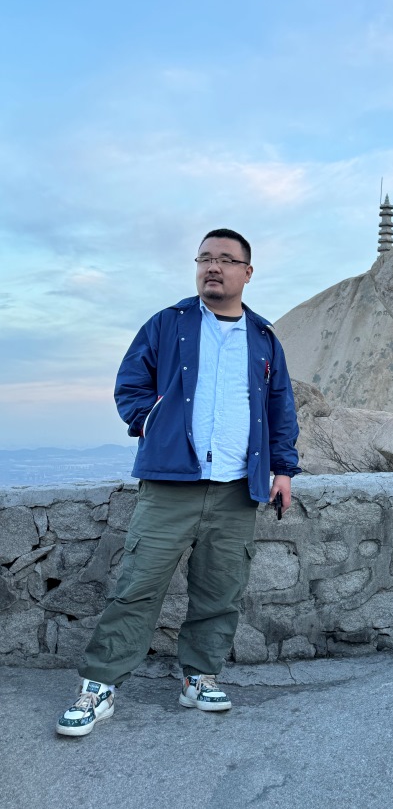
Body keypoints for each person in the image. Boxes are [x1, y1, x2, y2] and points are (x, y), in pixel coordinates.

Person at [56, 228, 300, 737]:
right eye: (204, 258)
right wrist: (152, 422)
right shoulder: (168, 323)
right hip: (170, 483)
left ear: (247, 273)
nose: (213, 267)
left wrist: (283, 470)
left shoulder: (263, 336)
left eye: (226, 259)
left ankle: (198, 678)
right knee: (137, 588)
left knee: (219, 591)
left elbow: (280, 408)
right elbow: (130, 384)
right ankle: (99, 686)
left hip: (237, 487)